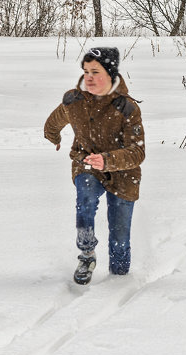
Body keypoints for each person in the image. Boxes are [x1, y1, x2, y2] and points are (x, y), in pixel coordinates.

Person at [44, 47, 145, 284]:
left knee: (120, 239)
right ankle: (87, 254)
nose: (88, 77)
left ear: (110, 74)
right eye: (86, 71)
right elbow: (55, 121)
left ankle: (119, 281)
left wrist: (108, 160)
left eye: (95, 72)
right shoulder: (74, 100)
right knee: (85, 198)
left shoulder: (127, 108)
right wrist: (54, 138)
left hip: (124, 174)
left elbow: (138, 151)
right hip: (86, 163)